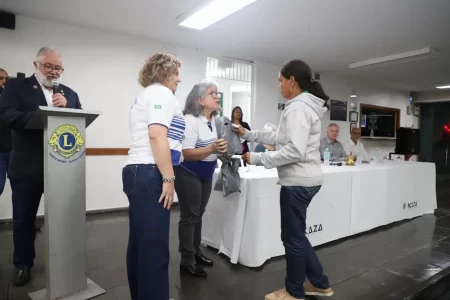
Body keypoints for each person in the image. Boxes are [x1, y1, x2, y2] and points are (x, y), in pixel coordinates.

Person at [237, 60, 334, 300]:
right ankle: (320, 283)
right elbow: (280, 136)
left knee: (292, 238)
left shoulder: (298, 107)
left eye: (281, 80)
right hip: (306, 179)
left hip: (297, 181)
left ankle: (294, 292)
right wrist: (249, 134)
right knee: (297, 235)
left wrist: (258, 157)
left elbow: (294, 150)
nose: (279, 85)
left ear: (292, 81)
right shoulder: (303, 105)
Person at [0, 47, 82, 286]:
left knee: (63, 218)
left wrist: (68, 109)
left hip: (62, 167)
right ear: (36, 65)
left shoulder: (69, 93)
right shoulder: (17, 87)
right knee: (23, 220)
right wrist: (42, 115)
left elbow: (80, 120)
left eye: (58, 68)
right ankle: (22, 264)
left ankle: (65, 261)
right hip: (27, 167)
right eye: (49, 66)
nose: (54, 72)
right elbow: (5, 114)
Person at [122, 53, 183, 300]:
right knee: (154, 248)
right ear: (165, 72)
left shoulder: (145, 95)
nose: (179, 79)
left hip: (138, 172)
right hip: (150, 173)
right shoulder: (161, 93)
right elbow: (157, 135)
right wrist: (168, 178)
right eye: (177, 73)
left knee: (140, 244)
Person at [175, 80, 227, 277]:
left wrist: (220, 152)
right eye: (212, 93)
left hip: (205, 173)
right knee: (189, 217)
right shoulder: (189, 120)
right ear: (200, 100)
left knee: (198, 214)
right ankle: (186, 260)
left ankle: (195, 252)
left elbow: (208, 149)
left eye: (217, 93)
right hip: (189, 173)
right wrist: (212, 148)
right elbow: (187, 153)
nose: (217, 96)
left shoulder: (212, 120)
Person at [0, 68, 11, 196]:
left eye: (6, 79)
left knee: (21, 187)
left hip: (14, 150)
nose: (4, 82)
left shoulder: (10, 97)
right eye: (0, 78)